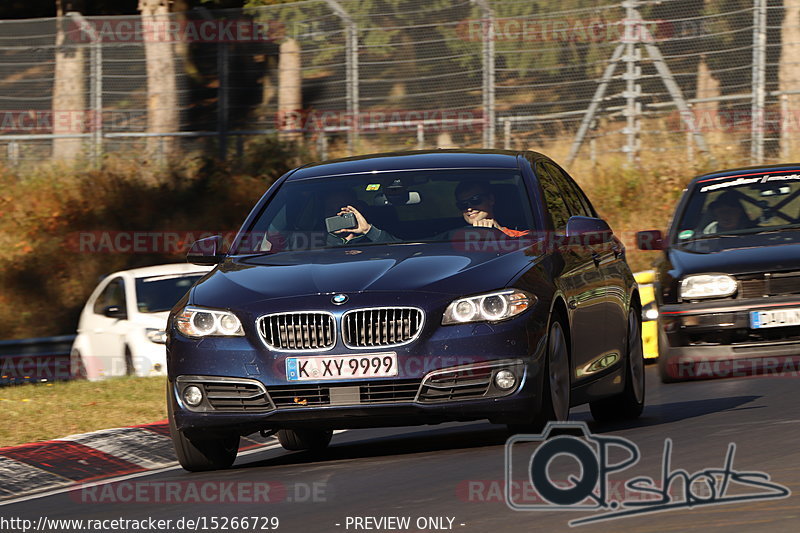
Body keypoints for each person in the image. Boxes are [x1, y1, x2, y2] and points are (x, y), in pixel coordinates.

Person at [454, 181, 530, 238]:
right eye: (463, 204)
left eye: (475, 200)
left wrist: (500, 233)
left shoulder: (519, 235)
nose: (469, 208)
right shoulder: (453, 238)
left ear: (491, 199)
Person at [323, 189, 397, 245]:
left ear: (356, 209)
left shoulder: (374, 236)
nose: (337, 214)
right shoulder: (317, 239)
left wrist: (368, 230)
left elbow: (400, 250)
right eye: (330, 210)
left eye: (341, 208)